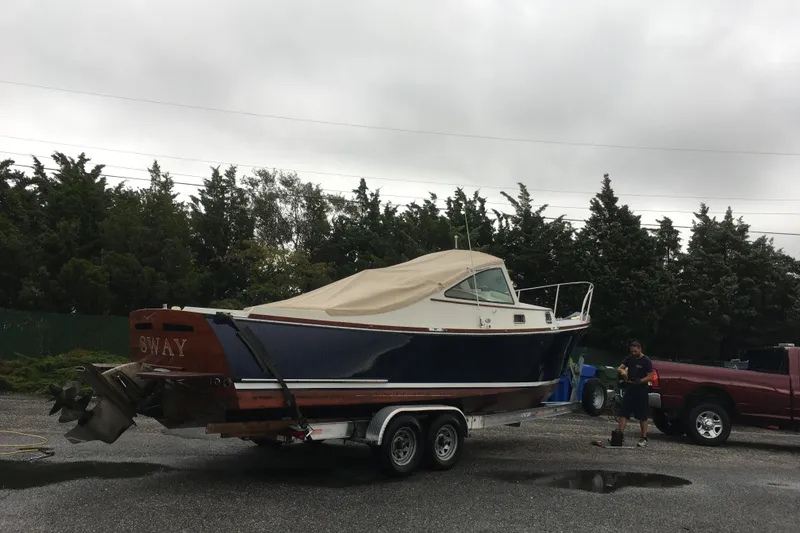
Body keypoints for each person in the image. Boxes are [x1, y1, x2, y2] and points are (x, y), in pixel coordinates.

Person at [617, 341, 654, 447]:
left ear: (640, 349)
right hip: (630, 387)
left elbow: (650, 376)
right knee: (623, 412)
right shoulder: (630, 358)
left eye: (635, 351)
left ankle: (643, 438)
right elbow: (620, 367)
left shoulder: (646, 361)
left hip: (641, 389)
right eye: (632, 351)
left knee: (642, 415)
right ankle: (619, 435)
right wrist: (622, 372)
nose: (633, 353)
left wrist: (640, 381)